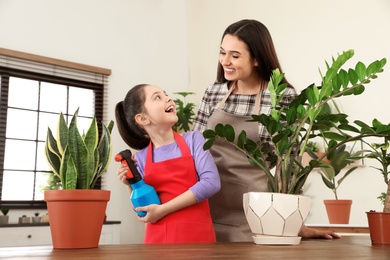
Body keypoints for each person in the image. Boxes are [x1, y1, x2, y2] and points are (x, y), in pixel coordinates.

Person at [193, 19, 341, 242]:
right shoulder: (214, 92)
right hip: (204, 206)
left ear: (256, 59)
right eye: (222, 52)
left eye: (235, 55)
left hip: (255, 215)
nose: (225, 61)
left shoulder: (283, 97)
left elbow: (290, 164)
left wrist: (297, 223)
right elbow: (193, 147)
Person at [115, 84, 221, 244]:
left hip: (198, 239)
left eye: (165, 94)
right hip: (158, 242)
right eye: (158, 97)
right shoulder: (141, 159)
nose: (168, 98)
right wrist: (130, 184)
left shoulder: (193, 140)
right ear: (142, 118)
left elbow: (211, 183)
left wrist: (162, 210)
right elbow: (143, 212)